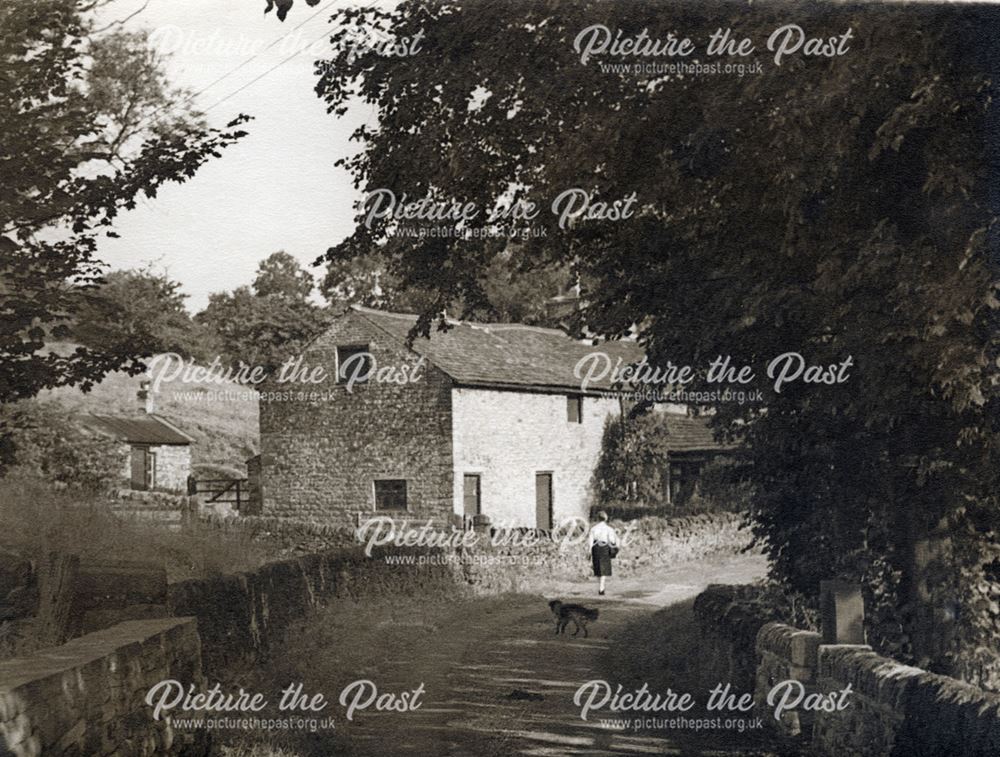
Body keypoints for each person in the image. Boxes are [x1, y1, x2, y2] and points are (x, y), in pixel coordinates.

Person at [587, 510, 619, 596]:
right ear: (606, 518)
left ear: (598, 518)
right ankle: (601, 587)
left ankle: (600, 586)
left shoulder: (593, 529)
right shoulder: (609, 529)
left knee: (597, 567)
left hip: (596, 548)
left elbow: (590, 541)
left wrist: (589, 551)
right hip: (605, 548)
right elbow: (612, 540)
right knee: (604, 568)